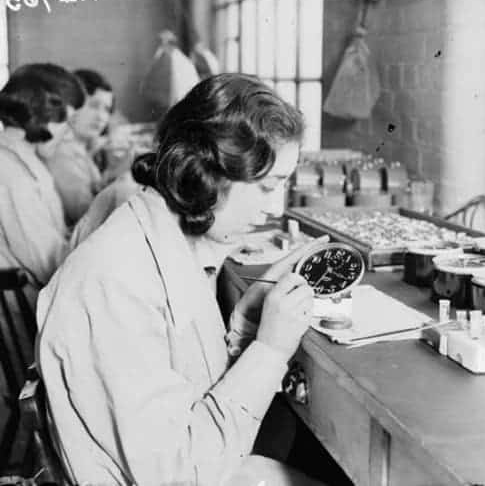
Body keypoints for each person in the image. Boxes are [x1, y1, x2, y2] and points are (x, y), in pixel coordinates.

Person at [37, 73, 327, 485]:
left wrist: (241, 334)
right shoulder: (116, 281)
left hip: (183, 461)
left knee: (291, 434)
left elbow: (182, 381)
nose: (275, 208)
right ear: (206, 173)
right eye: (267, 187)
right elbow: (179, 473)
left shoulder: (161, 239)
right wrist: (270, 349)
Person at [0, 64, 85, 305]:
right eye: (66, 123)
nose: (68, 134)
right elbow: (48, 265)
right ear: (41, 115)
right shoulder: (11, 172)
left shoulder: (22, 158)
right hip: (27, 314)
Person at [43, 68, 111, 225]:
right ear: (72, 105)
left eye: (107, 109)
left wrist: (113, 172)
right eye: (94, 105)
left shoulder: (79, 146)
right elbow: (87, 216)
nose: (101, 117)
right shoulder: (62, 152)